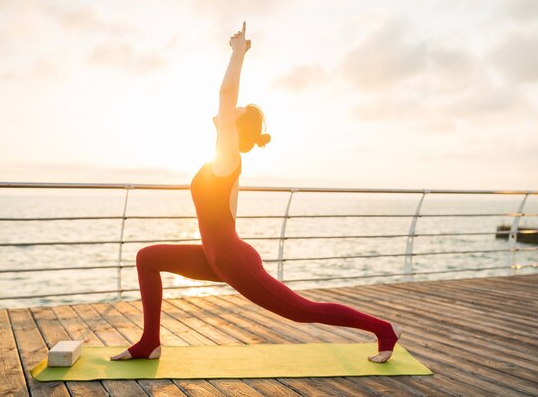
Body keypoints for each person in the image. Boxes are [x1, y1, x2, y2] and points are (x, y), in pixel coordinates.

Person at [110, 22, 401, 363]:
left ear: (235, 129)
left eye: (238, 111)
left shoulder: (227, 157)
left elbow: (224, 96)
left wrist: (237, 53)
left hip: (232, 260)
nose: (232, 109)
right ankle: (150, 342)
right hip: (214, 256)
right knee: (148, 258)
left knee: (301, 311)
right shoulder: (219, 160)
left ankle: (384, 330)